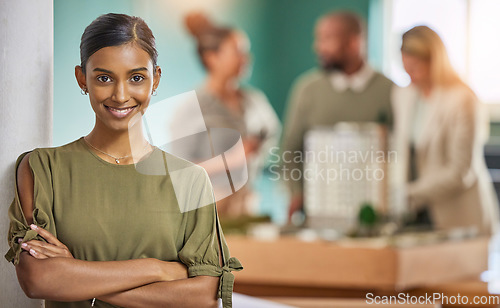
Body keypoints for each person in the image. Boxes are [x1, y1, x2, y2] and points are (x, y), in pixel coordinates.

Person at [4, 13, 242, 308]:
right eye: (104, 78)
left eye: (136, 78)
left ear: (155, 79)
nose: (120, 95)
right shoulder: (42, 169)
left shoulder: (190, 180)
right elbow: (38, 280)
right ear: (82, 78)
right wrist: (157, 269)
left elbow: (204, 296)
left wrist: (75, 275)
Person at [280, 11, 394, 222]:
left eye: (327, 39)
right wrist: (296, 192)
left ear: (353, 43)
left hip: (378, 216)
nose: (318, 47)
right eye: (318, 39)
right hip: (319, 212)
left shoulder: (389, 91)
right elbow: (290, 148)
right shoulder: (307, 90)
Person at [392, 25, 499, 235]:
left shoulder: (462, 99)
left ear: (433, 60)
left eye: (415, 68)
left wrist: (409, 193)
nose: (410, 75)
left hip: (458, 215)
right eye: (406, 68)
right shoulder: (403, 95)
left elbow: (460, 171)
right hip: (413, 215)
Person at [181, 12, 282, 218]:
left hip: (247, 206)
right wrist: (232, 159)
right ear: (212, 58)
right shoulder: (192, 107)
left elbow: (274, 139)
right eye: (238, 52)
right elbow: (180, 172)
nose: (246, 58)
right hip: (209, 211)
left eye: (246, 52)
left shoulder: (255, 101)